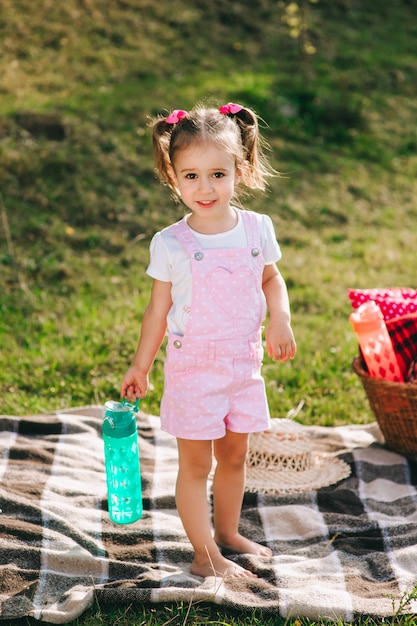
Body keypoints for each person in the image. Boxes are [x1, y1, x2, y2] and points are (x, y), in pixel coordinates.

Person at [121, 102, 296, 579]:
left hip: (243, 365)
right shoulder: (171, 243)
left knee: (235, 455)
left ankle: (228, 532)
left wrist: (279, 317)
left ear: (240, 170)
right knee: (196, 465)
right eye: (191, 176)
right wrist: (141, 365)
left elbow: (271, 280)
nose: (205, 188)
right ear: (172, 176)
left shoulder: (257, 229)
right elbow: (157, 311)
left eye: (217, 174)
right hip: (195, 369)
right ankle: (204, 556)